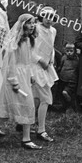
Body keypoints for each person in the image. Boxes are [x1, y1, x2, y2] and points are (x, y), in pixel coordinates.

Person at [0, 14, 42, 150]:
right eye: (29, 23)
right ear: (22, 25)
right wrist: (14, 81)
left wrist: (31, 75)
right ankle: (26, 138)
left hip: (25, 75)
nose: (32, 25)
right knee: (26, 104)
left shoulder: (29, 40)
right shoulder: (15, 43)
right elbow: (11, 64)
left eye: (34, 23)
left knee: (15, 107)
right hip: (15, 76)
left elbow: (28, 61)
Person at [31, 7, 58, 141]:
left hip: (47, 66)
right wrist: (40, 60)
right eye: (46, 16)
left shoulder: (53, 31)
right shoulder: (35, 29)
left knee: (37, 97)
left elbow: (51, 47)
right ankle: (41, 129)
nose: (49, 20)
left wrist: (51, 59)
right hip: (35, 65)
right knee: (45, 98)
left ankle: (29, 123)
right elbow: (30, 48)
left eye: (51, 17)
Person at [58, 42, 79, 109]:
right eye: (67, 51)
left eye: (71, 51)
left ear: (74, 51)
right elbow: (60, 66)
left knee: (65, 92)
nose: (69, 53)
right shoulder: (64, 58)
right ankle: (64, 106)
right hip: (62, 79)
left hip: (71, 81)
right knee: (60, 93)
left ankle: (71, 104)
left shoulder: (77, 59)